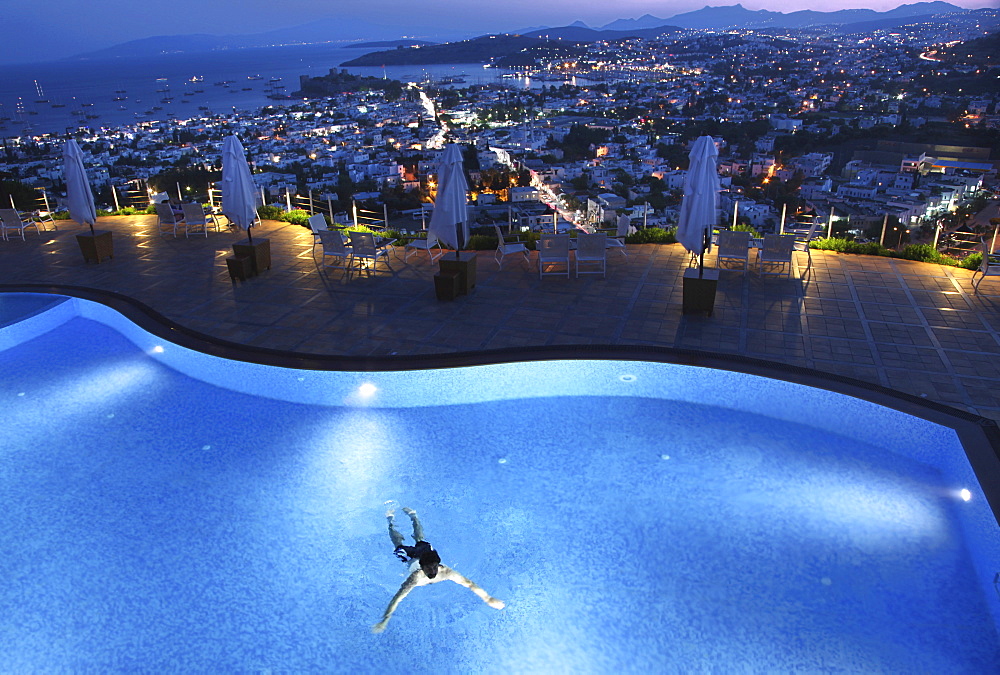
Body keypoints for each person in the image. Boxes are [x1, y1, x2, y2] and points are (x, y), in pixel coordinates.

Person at [372, 507, 505, 633]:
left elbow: (469, 584)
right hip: (411, 557)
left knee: (420, 539)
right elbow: (397, 598)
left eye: (435, 567)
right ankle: (390, 520)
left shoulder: (445, 572)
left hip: (425, 552)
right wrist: (385, 619)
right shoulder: (415, 577)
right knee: (398, 544)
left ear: (438, 564)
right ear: (422, 568)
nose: (433, 571)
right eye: (429, 568)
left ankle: (413, 516)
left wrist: (488, 599)